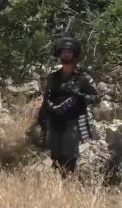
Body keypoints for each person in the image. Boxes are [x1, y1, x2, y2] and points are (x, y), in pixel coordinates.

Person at [37, 37, 101, 178]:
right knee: (55, 155)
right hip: (54, 121)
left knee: (69, 157)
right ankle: (58, 185)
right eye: (64, 52)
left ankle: (68, 185)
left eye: (69, 52)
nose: (66, 54)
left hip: (72, 122)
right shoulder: (53, 77)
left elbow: (96, 98)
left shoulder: (83, 78)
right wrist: (42, 119)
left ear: (75, 55)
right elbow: (46, 98)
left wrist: (79, 94)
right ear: (59, 54)